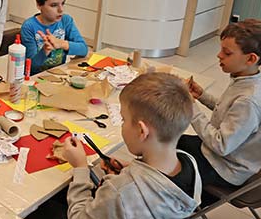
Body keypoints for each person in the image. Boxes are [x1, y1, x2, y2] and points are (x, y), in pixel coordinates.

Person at [63, 73, 201, 218]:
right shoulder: (189, 161)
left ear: (142, 131)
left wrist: (80, 168)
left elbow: (79, 216)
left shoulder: (119, 192)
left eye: (124, 119)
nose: (122, 124)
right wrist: (132, 170)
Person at [179, 19, 261, 198]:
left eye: (227, 53)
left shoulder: (248, 100)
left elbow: (221, 145)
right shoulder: (242, 78)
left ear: (251, 58)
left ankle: (183, 203)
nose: (219, 56)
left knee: (170, 169)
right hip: (221, 153)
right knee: (169, 142)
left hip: (228, 168)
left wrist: (191, 108)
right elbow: (228, 111)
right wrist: (202, 96)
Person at [21, 0, 88, 74]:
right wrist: (45, 50)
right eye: (54, 5)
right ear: (39, 5)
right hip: (37, 78)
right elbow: (30, 67)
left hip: (58, 74)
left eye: (63, 3)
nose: (61, 10)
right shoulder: (29, 27)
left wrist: (61, 43)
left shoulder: (66, 20)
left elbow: (83, 49)